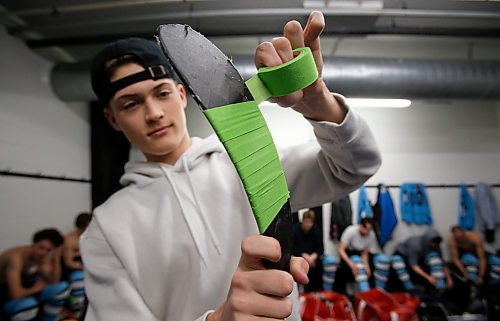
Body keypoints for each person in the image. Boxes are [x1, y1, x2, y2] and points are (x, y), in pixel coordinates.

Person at [81, 10, 381, 321]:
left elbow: (354, 167)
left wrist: (319, 102)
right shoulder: (106, 227)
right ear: (112, 119)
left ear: (182, 95)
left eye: (162, 93)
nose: (154, 112)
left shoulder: (246, 160)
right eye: (131, 103)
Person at [0, 228, 69, 321]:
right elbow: (15, 294)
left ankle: (48, 319)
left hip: (23, 286)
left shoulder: (42, 256)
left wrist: (56, 257)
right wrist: (34, 289)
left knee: (62, 288)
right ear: (34, 244)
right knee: (29, 305)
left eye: (48, 250)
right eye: (41, 247)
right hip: (3, 293)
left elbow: (54, 281)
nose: (43, 252)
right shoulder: (16, 258)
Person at [393, 228, 453, 293]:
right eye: (432, 242)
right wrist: (428, 278)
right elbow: (413, 265)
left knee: (434, 257)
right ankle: (409, 288)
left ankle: (439, 286)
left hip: (421, 258)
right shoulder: (414, 244)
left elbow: (442, 263)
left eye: (436, 243)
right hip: (405, 256)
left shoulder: (435, 246)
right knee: (397, 262)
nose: (434, 244)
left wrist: (449, 278)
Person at [61, 212, 92, 318]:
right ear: (85, 224)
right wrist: (85, 268)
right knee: (79, 279)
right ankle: (76, 311)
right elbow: (68, 262)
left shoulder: (91, 235)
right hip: (75, 269)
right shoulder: (70, 240)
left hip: (87, 263)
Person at [334, 217, 376, 294]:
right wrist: (351, 265)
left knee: (372, 266)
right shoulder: (350, 231)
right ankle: (366, 294)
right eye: (365, 228)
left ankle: (370, 294)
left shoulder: (371, 234)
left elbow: (365, 252)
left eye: (369, 229)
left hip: (360, 254)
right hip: (347, 254)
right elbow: (341, 249)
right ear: (360, 225)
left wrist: (367, 266)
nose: (366, 232)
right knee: (357, 263)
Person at [292, 210, 324, 293]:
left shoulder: (316, 230)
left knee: (319, 266)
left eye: (310, 223)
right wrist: (304, 255)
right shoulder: (295, 230)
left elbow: (321, 248)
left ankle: (318, 292)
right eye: (306, 222)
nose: (308, 225)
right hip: (299, 258)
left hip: (313, 260)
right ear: (302, 221)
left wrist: (314, 256)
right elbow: (292, 248)